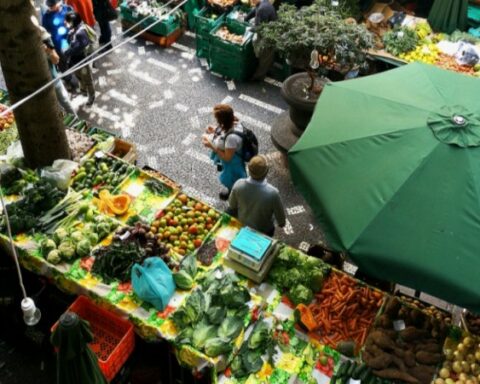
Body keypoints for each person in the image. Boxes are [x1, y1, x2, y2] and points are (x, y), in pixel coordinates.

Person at [227, 155, 286, 236]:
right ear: (267, 171)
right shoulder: (273, 193)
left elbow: (232, 205)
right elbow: (281, 222)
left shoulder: (238, 184)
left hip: (242, 226)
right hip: (264, 232)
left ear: (249, 170)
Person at [202, 104, 247, 200]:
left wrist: (211, 145)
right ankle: (233, 190)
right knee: (232, 176)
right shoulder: (235, 122)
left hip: (233, 162)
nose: (216, 121)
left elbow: (227, 157)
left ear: (222, 121)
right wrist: (214, 130)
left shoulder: (231, 138)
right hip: (235, 158)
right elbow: (225, 132)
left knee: (233, 178)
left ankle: (234, 193)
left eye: (217, 119)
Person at [40, 27, 78, 118]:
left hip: (53, 79)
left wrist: (48, 51)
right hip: (39, 85)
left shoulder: (46, 42)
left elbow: (56, 60)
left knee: (65, 101)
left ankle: (75, 120)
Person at [65, 12, 96, 106]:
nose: (66, 23)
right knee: (79, 76)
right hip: (75, 61)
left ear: (73, 21)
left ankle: (91, 95)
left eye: (68, 21)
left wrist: (68, 52)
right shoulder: (75, 29)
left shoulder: (81, 33)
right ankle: (83, 91)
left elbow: (81, 46)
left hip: (82, 61)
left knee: (87, 79)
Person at [245, 0, 277, 80]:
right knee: (267, 56)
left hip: (269, 36)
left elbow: (259, 28)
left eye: (252, 0)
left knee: (265, 56)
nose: (251, 2)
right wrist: (246, 18)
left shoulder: (262, 9)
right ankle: (268, 69)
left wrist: (249, 29)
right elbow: (254, 11)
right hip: (268, 30)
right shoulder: (263, 3)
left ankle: (258, 77)